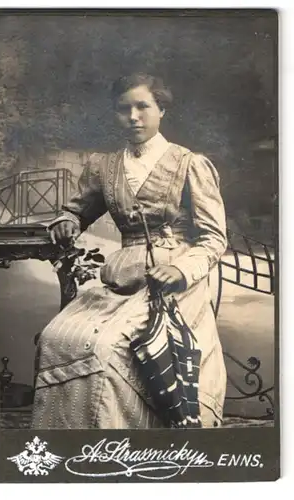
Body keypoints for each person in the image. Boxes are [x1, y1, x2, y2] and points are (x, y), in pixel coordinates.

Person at [31, 73, 227, 429]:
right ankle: (76, 449)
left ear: (161, 109)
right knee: (55, 339)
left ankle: (127, 443)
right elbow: (77, 208)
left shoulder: (188, 163)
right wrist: (68, 220)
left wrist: (182, 270)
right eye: (124, 109)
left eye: (143, 106)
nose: (133, 116)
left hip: (174, 283)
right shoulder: (105, 167)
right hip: (121, 279)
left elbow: (214, 237)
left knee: (107, 347)